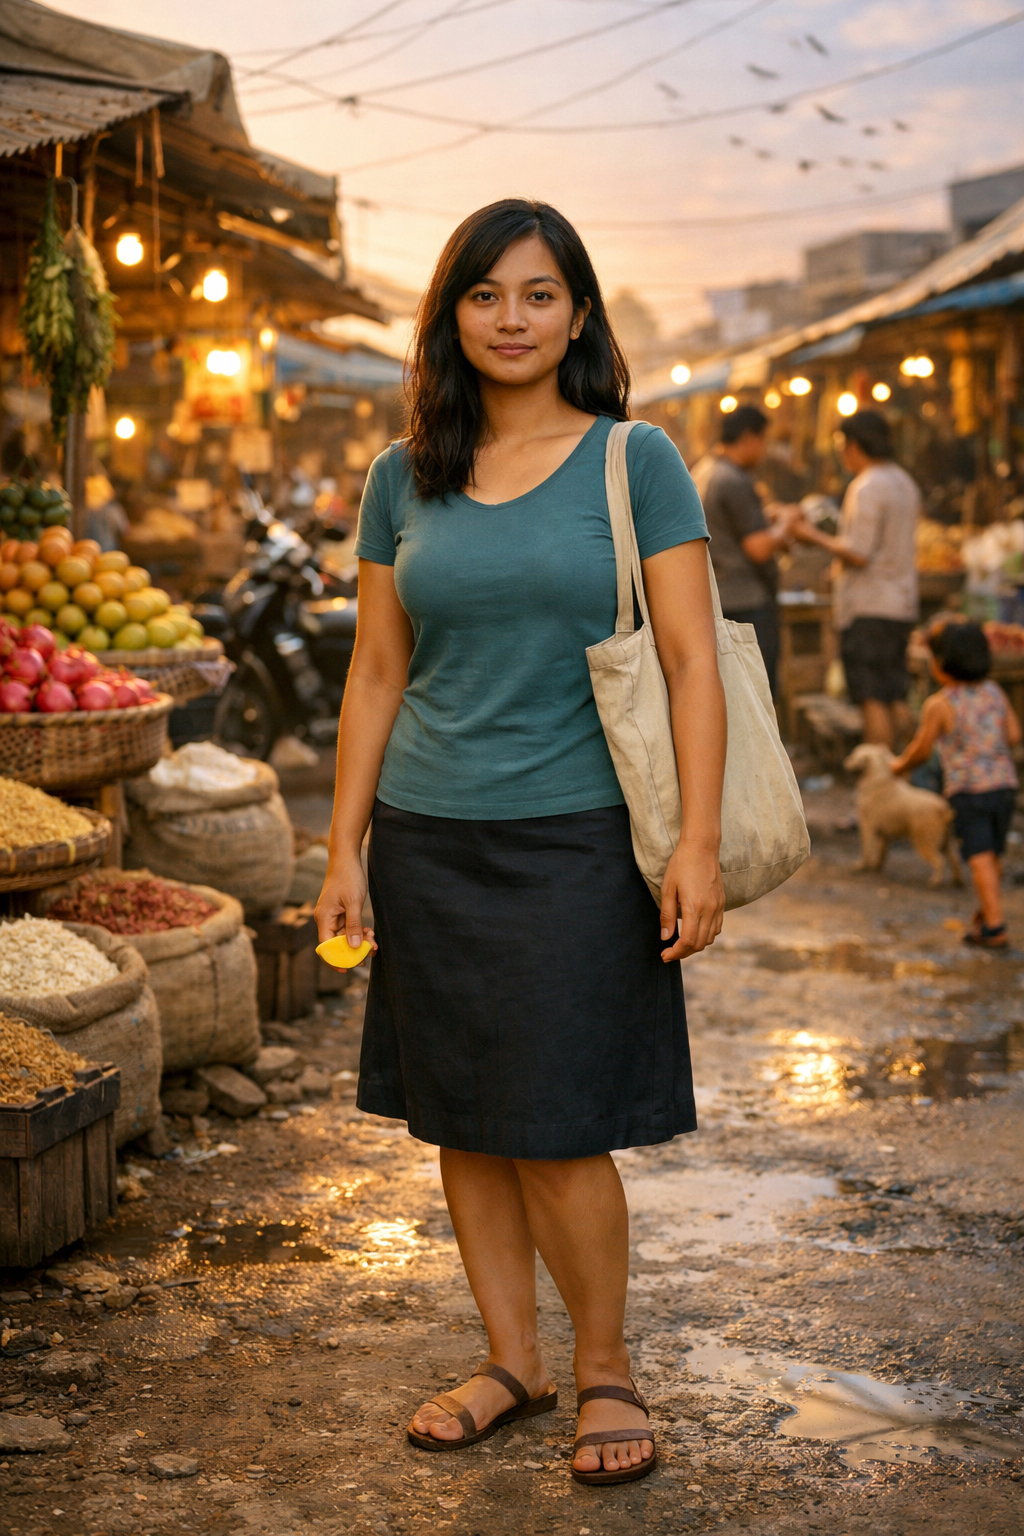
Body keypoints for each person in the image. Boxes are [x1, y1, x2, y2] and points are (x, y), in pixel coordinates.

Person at [314, 199, 726, 1485]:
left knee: (555, 1125)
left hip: (578, 841)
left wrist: (697, 842)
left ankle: (604, 1368)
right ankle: (513, 1361)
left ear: (578, 314)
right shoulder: (402, 476)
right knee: (467, 1121)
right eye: (485, 296)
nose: (511, 319)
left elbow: (691, 663)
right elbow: (376, 676)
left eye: (538, 294)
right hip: (429, 841)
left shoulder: (634, 458)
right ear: (451, 317)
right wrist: (342, 849)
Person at [795, 410, 920, 747]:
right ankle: (906, 774)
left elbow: (859, 553)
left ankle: (881, 776)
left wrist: (812, 535)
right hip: (900, 603)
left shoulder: (867, 486)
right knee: (894, 693)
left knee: (871, 698)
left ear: (853, 446)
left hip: (869, 607)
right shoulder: (904, 482)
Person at [892, 621, 1020, 949]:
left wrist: (899, 766)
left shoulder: (941, 704)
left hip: (968, 791)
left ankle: (994, 926)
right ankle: (987, 912)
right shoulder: (994, 691)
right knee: (991, 855)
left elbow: (921, 749)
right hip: (1004, 786)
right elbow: (1015, 735)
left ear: (940, 664)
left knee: (977, 856)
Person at [690, 404, 800, 696]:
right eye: (764, 441)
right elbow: (758, 549)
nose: (764, 450)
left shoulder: (705, 470)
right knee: (756, 695)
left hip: (717, 599)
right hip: (745, 604)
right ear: (750, 438)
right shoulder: (733, 480)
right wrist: (786, 525)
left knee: (731, 695)